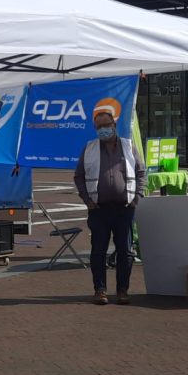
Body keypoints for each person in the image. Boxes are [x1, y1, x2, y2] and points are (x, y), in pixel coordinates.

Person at [73, 111, 145, 305]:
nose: (103, 130)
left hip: (125, 208)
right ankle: (100, 290)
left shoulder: (129, 146)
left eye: (106, 125)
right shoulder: (89, 148)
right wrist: (87, 200)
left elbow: (141, 173)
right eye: (99, 127)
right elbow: (78, 176)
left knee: (126, 252)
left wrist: (136, 198)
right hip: (99, 209)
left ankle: (122, 290)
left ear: (114, 125)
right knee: (98, 251)